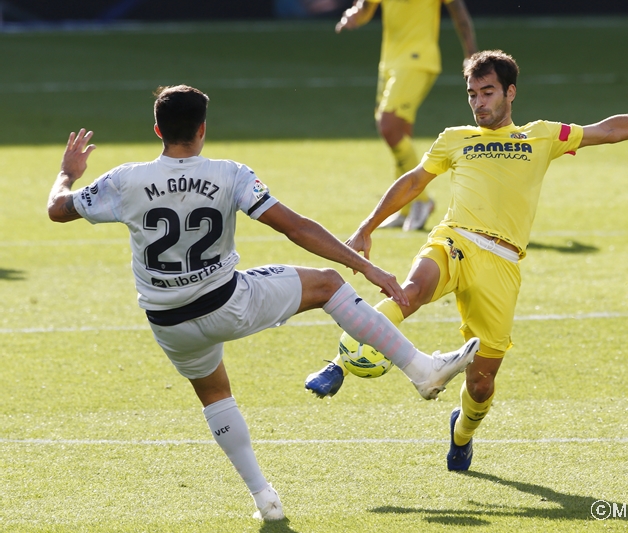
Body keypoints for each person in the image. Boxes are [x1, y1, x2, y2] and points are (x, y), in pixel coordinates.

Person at [45, 85, 480, 520]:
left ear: (158, 129)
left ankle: (264, 500)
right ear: (202, 129)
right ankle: (421, 369)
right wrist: (364, 267)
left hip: (168, 322)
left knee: (215, 394)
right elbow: (293, 226)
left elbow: (58, 210)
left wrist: (68, 172)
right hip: (228, 302)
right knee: (328, 284)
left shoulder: (124, 179)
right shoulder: (229, 173)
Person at [305, 50, 628, 470]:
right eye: (472, 94)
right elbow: (413, 182)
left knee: (481, 384)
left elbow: (606, 130)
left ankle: (462, 432)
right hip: (455, 239)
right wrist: (367, 227)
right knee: (411, 291)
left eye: (487, 92)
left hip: (502, 263)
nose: (479, 102)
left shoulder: (541, 137)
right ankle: (339, 365)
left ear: (510, 92)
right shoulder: (455, 139)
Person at [335, 0, 477, 231]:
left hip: (418, 59)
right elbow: (365, 8)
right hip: (389, 62)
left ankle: (422, 200)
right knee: (401, 134)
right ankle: (406, 206)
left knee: (388, 127)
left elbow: (458, 10)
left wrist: (470, 52)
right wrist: (352, 16)